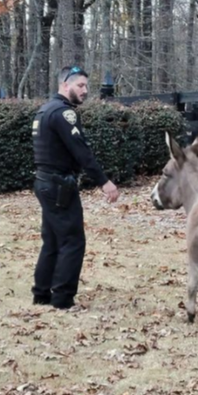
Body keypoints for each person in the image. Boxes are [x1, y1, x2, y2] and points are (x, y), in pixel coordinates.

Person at [30, 66, 119, 309]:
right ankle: (62, 299)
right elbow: (82, 152)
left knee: (52, 240)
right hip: (59, 185)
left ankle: (41, 294)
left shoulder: (44, 110)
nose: (85, 90)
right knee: (72, 241)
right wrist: (104, 181)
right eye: (80, 85)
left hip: (44, 182)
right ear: (65, 85)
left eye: (86, 86)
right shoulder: (63, 113)